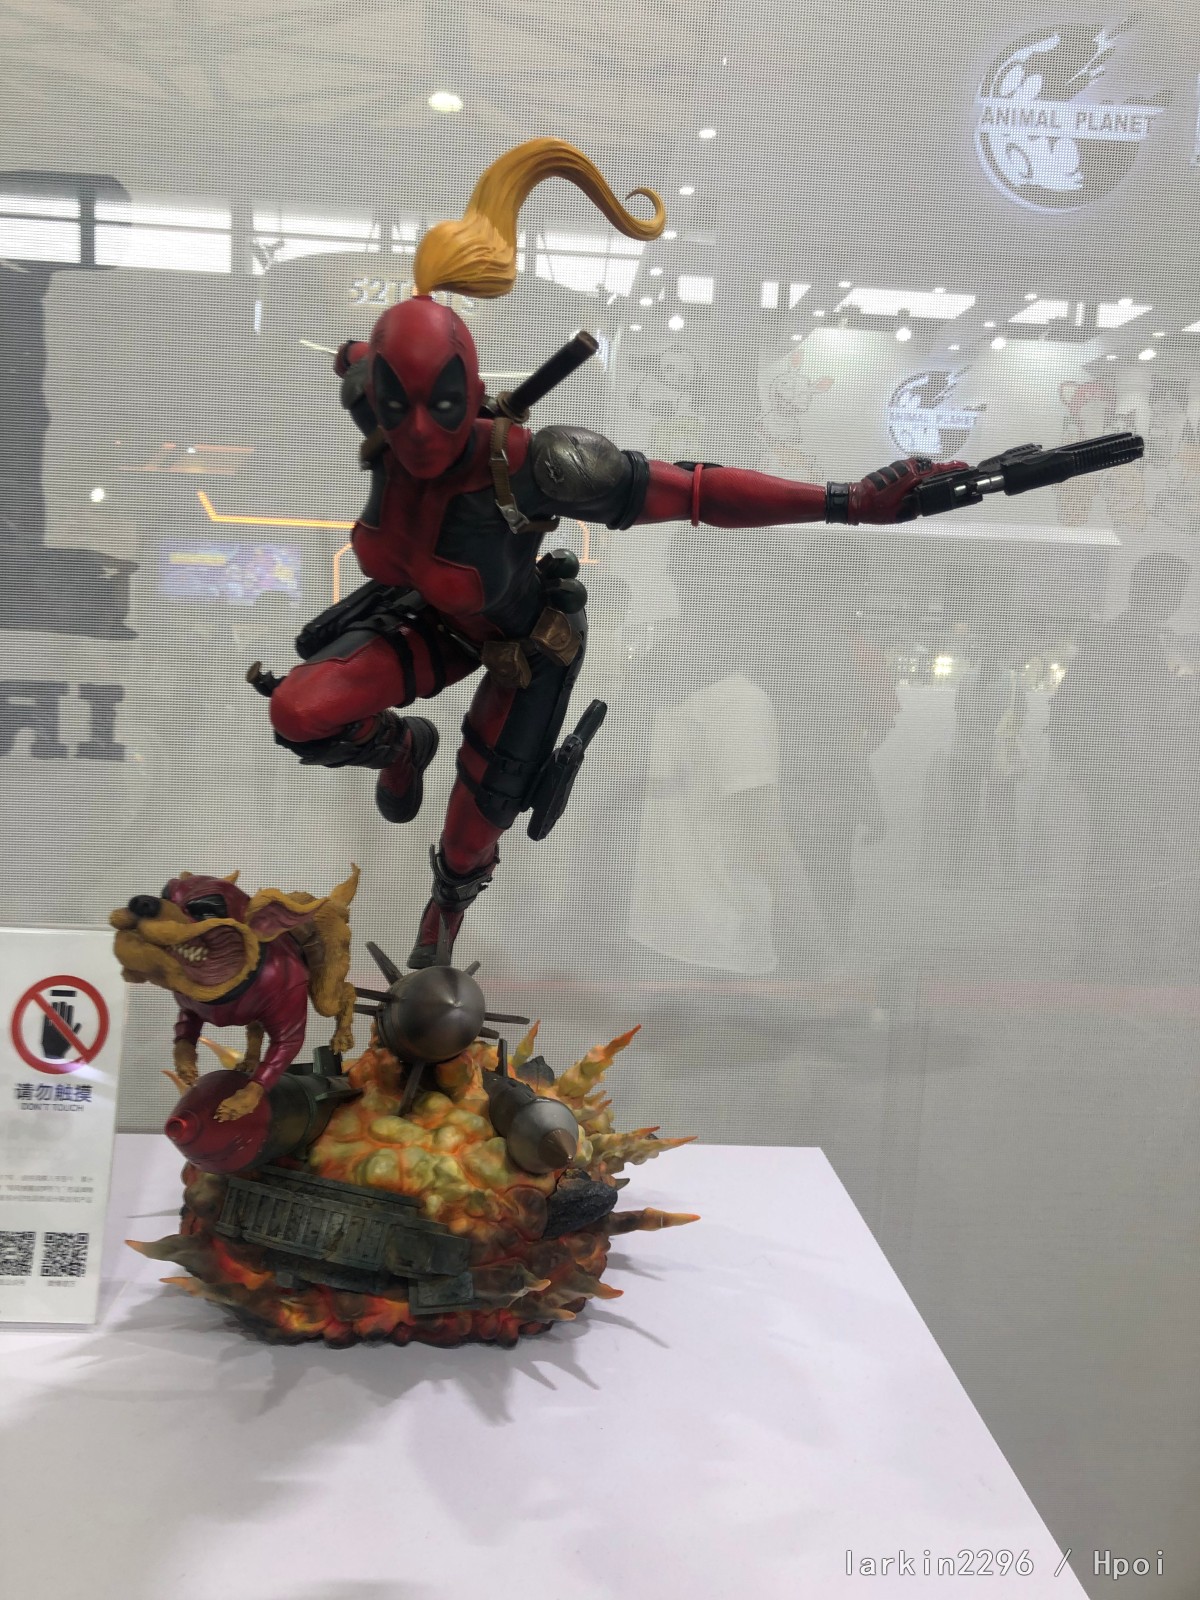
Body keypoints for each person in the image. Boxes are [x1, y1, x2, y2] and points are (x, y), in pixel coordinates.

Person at [262, 138, 967, 967]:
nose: (417, 432)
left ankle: (440, 928)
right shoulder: (370, 403)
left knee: (470, 835)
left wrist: (844, 502)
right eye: (397, 404)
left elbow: (693, 490)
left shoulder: (536, 464)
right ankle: (403, 747)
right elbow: (354, 357)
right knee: (298, 712)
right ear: (376, 392)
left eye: (442, 404)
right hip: (425, 621)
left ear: (472, 386)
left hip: (521, 644)